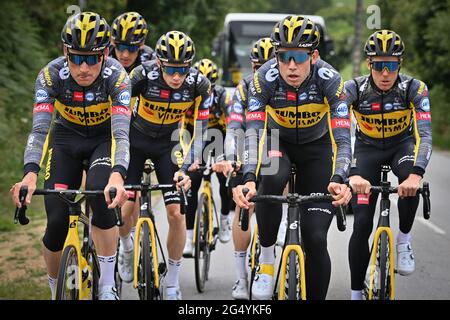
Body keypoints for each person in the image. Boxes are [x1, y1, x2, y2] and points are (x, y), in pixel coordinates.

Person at [10, 12, 131, 300]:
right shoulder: (50, 75)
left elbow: (121, 134)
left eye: (93, 59)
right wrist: (29, 173)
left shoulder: (117, 77)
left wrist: (118, 173)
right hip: (65, 140)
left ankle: (106, 288)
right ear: (66, 52)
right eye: (77, 58)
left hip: (103, 140)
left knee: (102, 201)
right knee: (55, 223)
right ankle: (56, 292)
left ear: (104, 54)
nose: (85, 68)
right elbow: (40, 131)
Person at [232, 15, 352, 300]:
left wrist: (340, 177)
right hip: (278, 142)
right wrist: (249, 177)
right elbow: (254, 132)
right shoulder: (264, 80)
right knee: (271, 176)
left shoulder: (331, 80)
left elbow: (343, 138)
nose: (292, 66)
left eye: (299, 57)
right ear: (276, 56)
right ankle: (268, 259)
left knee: (315, 238)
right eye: (284, 57)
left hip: (318, 149)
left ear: (314, 55)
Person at [119, 30, 211, 300]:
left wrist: (187, 166)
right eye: (171, 69)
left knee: (176, 213)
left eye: (182, 70)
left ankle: (171, 281)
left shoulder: (198, 85)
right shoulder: (141, 76)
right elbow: (119, 111)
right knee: (126, 207)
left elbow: (201, 131)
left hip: (168, 146)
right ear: (159, 63)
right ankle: (126, 249)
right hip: (135, 142)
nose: (176, 77)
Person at [345, 29, 432, 300]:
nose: (385, 73)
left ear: (400, 64)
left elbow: (425, 135)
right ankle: (356, 293)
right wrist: (351, 172)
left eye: (391, 65)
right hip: (366, 150)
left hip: (400, 147)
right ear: (369, 64)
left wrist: (416, 175)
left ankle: (404, 240)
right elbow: (340, 133)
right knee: (361, 225)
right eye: (379, 65)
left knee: (410, 181)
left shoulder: (413, 89)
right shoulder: (354, 89)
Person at [214, 37, 275, 299]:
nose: (262, 71)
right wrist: (230, 156)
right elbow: (234, 125)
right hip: (246, 145)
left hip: (276, 145)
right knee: (243, 206)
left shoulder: (287, 85)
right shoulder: (244, 87)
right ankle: (241, 278)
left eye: (267, 65)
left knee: (280, 185)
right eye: (257, 66)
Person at [109, 11, 155, 286]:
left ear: (141, 45)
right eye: (120, 47)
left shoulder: (150, 61)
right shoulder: (101, 54)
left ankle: (126, 243)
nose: (124, 54)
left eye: (131, 48)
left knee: (129, 198)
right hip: (102, 124)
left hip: (135, 128)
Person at [182, 58, 233, 258]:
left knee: (224, 177)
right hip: (194, 136)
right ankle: (188, 238)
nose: (207, 89)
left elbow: (231, 122)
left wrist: (228, 156)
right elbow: (180, 127)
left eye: (211, 84)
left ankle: (224, 219)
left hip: (218, 136)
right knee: (192, 184)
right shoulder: (187, 92)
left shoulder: (221, 95)